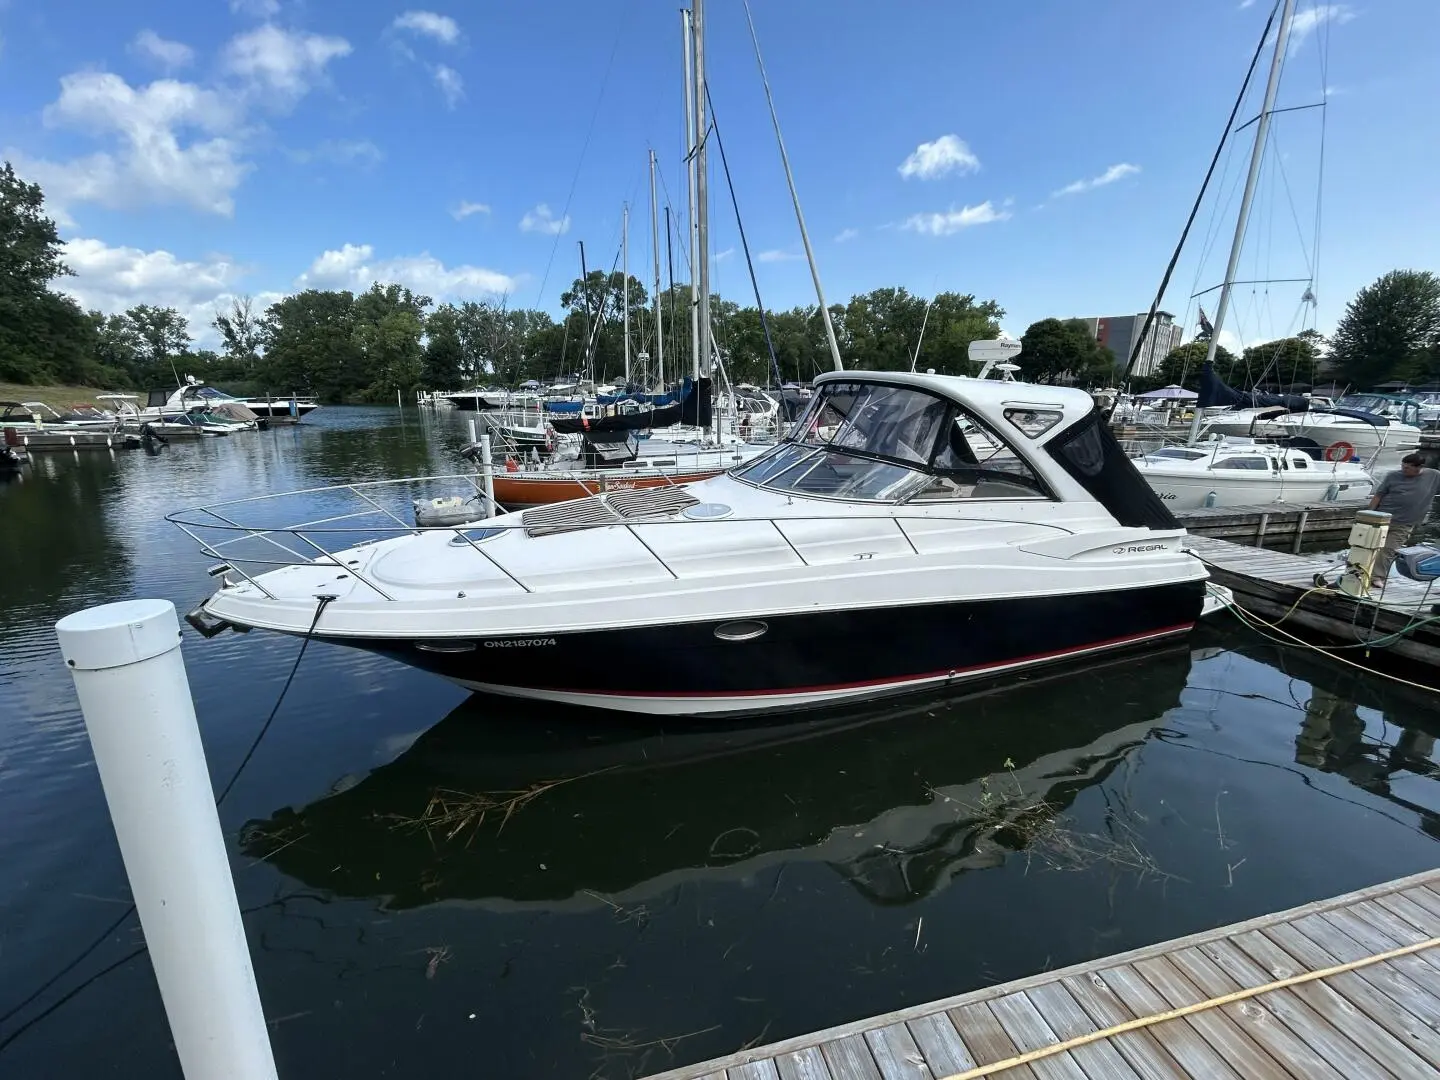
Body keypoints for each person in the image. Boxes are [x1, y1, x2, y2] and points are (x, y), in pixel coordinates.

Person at [1366, 453, 1440, 586]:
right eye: (1402, 466)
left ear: (1419, 468)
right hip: (1382, 518)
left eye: (1407, 468)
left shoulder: (1434, 475)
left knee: (1388, 550)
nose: (1403, 470)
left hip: (1405, 522)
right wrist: (1369, 513)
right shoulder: (1393, 476)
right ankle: (1358, 572)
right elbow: (1379, 494)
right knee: (1367, 546)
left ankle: (1377, 577)